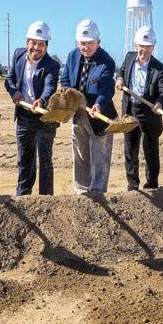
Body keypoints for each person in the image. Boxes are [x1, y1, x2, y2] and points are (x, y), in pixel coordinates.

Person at [60, 19, 117, 194]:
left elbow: (107, 88)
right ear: (77, 42)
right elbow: (65, 78)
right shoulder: (72, 56)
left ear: (98, 42)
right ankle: (81, 190)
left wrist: (99, 103)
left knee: (99, 157)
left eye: (90, 43)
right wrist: (69, 94)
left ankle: (98, 192)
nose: (86, 47)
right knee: (80, 153)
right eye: (82, 43)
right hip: (79, 112)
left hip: (99, 114)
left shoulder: (106, 61)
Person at [5, 21, 60, 195]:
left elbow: (50, 86)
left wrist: (42, 100)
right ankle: (23, 196)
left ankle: (46, 199)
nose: (36, 47)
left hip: (44, 118)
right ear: (27, 42)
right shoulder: (18, 55)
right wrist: (14, 92)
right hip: (23, 116)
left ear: (46, 46)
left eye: (41, 44)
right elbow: (9, 79)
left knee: (45, 160)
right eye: (33, 43)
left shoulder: (52, 65)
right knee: (24, 159)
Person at [115, 26, 163, 190]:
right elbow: (122, 71)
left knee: (150, 150)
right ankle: (132, 185)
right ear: (135, 45)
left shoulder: (160, 69)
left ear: (153, 47)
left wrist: (160, 103)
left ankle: (152, 184)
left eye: (148, 47)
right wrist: (119, 79)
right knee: (130, 150)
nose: (144, 50)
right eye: (141, 46)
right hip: (130, 109)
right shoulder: (129, 57)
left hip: (149, 113)